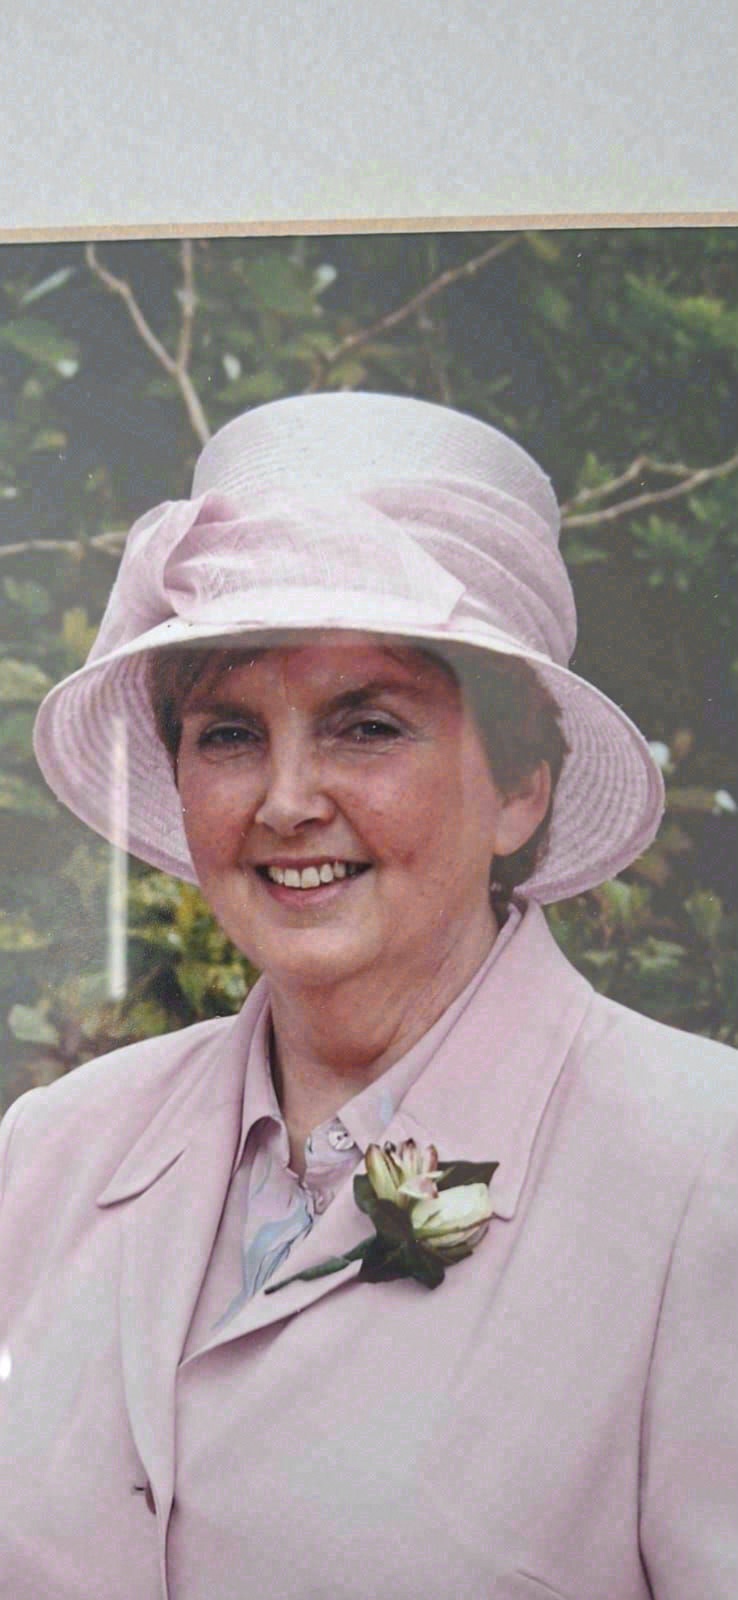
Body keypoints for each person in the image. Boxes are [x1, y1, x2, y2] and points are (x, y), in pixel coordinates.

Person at [0, 391, 736, 1600]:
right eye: (229, 733)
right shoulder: (53, 1150)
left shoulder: (704, 1171)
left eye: (367, 725)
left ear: (521, 787)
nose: (287, 799)